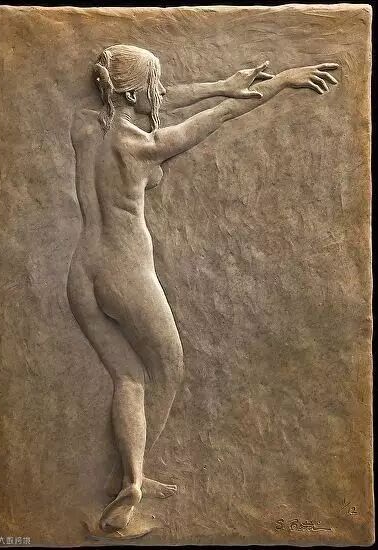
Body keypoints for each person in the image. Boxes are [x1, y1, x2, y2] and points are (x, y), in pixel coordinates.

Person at [67, 44, 338, 531]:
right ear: (132, 93)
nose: (160, 93)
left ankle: (126, 476)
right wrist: (280, 81)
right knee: (168, 366)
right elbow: (222, 115)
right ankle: (132, 486)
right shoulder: (142, 145)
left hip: (82, 273)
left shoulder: (86, 125)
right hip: (122, 272)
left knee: (129, 376)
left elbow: (161, 99)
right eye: (153, 85)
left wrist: (221, 82)